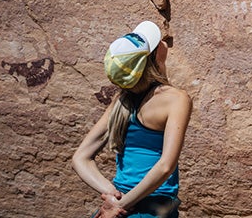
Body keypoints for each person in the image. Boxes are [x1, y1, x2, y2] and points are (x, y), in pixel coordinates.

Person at [73, 20, 192, 218]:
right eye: (157, 42)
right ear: (153, 59)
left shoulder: (121, 101)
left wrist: (114, 197)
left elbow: (80, 158)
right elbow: (165, 166)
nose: (163, 41)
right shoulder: (177, 99)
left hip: (120, 206)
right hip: (152, 209)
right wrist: (121, 205)